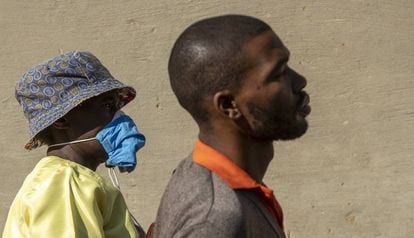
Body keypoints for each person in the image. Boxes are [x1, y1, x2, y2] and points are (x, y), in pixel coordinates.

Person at [153, 15, 311, 237]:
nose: (299, 81)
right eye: (278, 73)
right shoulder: (214, 220)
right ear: (229, 105)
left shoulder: (228, 186)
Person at [2, 51, 146, 238]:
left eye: (118, 107)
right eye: (107, 107)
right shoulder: (64, 182)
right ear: (61, 120)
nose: (120, 118)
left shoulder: (72, 179)